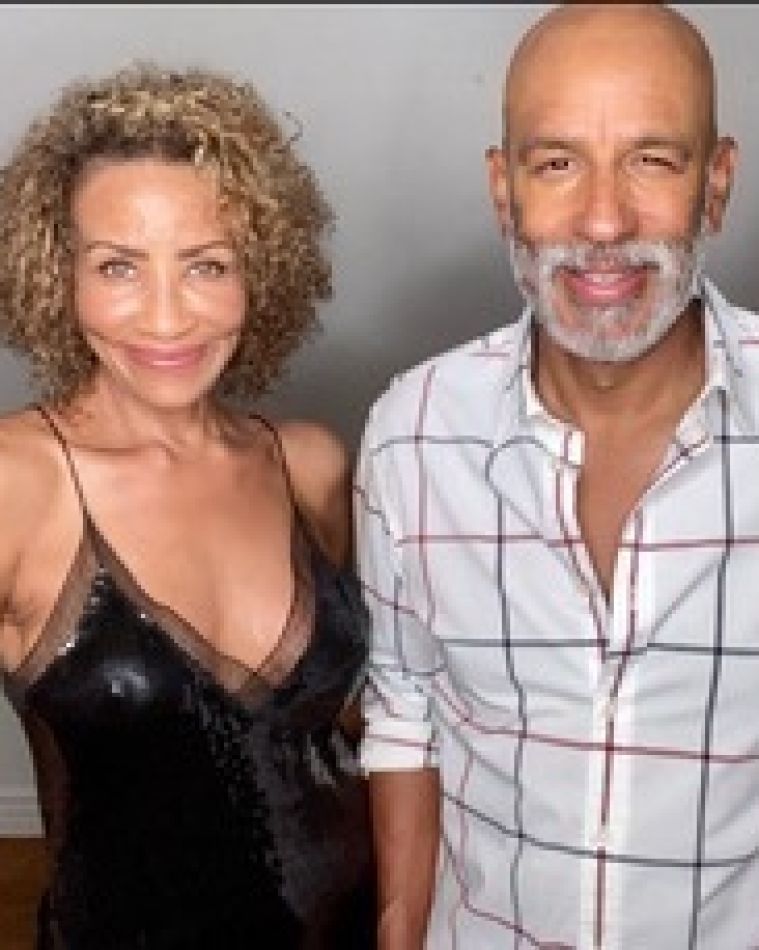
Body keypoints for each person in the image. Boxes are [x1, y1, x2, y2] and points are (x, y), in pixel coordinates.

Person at [355, 3, 756, 947]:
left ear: (715, 186)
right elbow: (404, 711)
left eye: (651, 159)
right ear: (504, 192)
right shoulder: (410, 433)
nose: (603, 221)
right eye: (556, 164)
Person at [0, 63, 374, 948]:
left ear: (262, 273)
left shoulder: (308, 463)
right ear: (58, 275)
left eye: (207, 265)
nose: (167, 317)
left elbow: (333, 726)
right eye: (118, 267)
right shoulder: (20, 481)